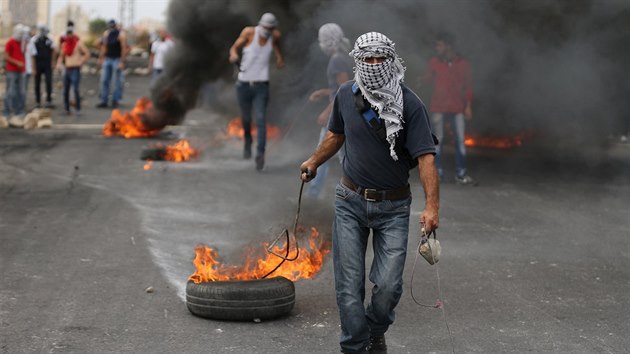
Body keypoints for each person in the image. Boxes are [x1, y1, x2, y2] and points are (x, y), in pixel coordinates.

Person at [300, 32, 439, 354]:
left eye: (380, 59)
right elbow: (336, 135)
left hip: (394, 206)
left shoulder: (410, 104)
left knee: (388, 286)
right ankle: (354, 346)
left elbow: (426, 157)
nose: (374, 65)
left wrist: (432, 208)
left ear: (391, 60)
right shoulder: (345, 95)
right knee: (348, 286)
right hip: (350, 201)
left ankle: (376, 329)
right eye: (367, 59)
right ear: (357, 61)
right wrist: (313, 161)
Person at [229, 12, 285, 171]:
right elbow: (233, 49)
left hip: (261, 86)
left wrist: (279, 58)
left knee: (260, 119)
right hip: (243, 85)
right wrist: (233, 56)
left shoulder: (275, 36)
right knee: (246, 119)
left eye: (271, 28)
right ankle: (247, 145)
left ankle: (260, 155)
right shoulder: (249, 32)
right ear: (261, 25)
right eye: (266, 27)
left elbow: (277, 48)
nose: (268, 31)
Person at [305, 23, 353, 199]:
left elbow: (345, 89)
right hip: (345, 113)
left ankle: (313, 194)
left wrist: (327, 112)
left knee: (322, 153)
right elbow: (343, 86)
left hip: (338, 115)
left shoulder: (337, 60)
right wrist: (324, 92)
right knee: (343, 155)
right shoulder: (344, 57)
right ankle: (353, 191)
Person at [423, 32, 476, 185]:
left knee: (460, 140)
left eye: (439, 45)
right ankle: (437, 173)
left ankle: (461, 174)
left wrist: (468, 106)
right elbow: (429, 79)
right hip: (438, 105)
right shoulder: (434, 62)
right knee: (437, 141)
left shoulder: (463, 64)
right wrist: (422, 80)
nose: (436, 48)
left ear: (448, 46)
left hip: (457, 106)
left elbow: (468, 86)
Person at [56, 22, 90, 116]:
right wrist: (58, 63)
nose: (69, 35)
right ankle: (67, 109)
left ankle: (78, 109)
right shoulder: (65, 44)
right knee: (65, 90)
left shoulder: (78, 43)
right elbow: (61, 56)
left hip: (75, 69)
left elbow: (87, 53)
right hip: (67, 69)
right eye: (68, 33)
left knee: (75, 89)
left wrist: (81, 61)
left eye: (70, 33)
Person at [96, 19, 128, 108]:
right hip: (108, 59)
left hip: (116, 59)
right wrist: (100, 58)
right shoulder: (107, 33)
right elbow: (104, 47)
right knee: (104, 80)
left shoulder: (121, 34)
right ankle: (104, 100)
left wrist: (122, 62)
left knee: (117, 81)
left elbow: (123, 49)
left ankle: (115, 100)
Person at [2, 24, 26, 128]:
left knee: (21, 91)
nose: (20, 35)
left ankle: (19, 112)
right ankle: (6, 112)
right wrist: (16, 62)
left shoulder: (23, 43)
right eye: (19, 33)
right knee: (10, 92)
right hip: (12, 70)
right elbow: (6, 56)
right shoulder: (10, 42)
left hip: (21, 71)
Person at [32, 24, 56, 109]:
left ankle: (49, 100)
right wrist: (33, 67)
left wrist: (53, 62)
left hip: (47, 64)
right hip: (38, 63)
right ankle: (38, 101)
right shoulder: (34, 39)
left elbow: (53, 50)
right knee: (37, 83)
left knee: (48, 82)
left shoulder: (50, 39)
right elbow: (33, 55)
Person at [22, 26, 35, 109]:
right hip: (19, 70)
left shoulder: (31, 43)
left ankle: (22, 105)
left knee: (24, 89)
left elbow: (33, 56)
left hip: (28, 70)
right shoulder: (19, 43)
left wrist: (33, 69)